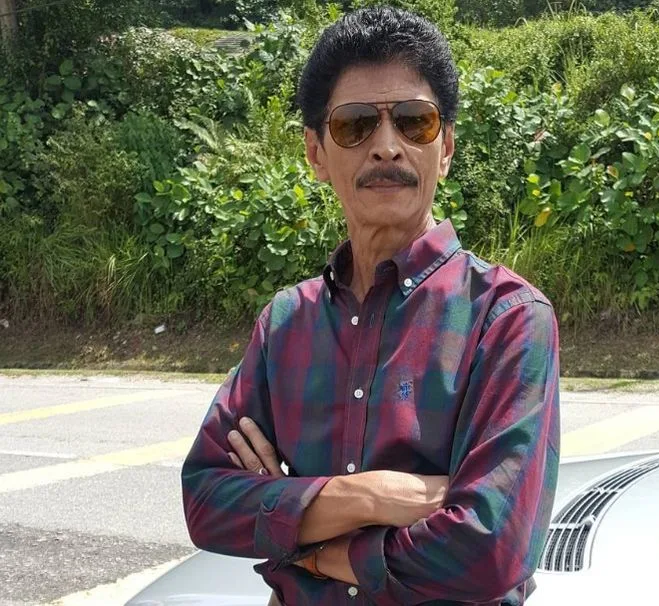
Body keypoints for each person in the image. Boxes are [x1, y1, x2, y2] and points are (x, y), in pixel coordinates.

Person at [181, 6, 560, 605]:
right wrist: (369, 497)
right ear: (316, 153)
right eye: (355, 124)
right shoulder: (287, 323)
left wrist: (301, 538)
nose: (387, 147)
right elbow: (205, 501)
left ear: (446, 148)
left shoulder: (506, 318)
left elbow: (490, 549)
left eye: (414, 122)